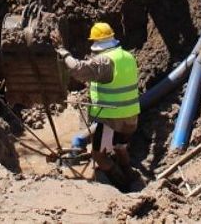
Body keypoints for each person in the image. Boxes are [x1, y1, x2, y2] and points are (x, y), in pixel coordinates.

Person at [56, 21, 140, 190]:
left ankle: (122, 186)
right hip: (130, 117)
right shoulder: (127, 56)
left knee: (99, 156)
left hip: (111, 119)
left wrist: (64, 53)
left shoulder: (105, 61)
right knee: (120, 147)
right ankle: (131, 176)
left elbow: (79, 70)